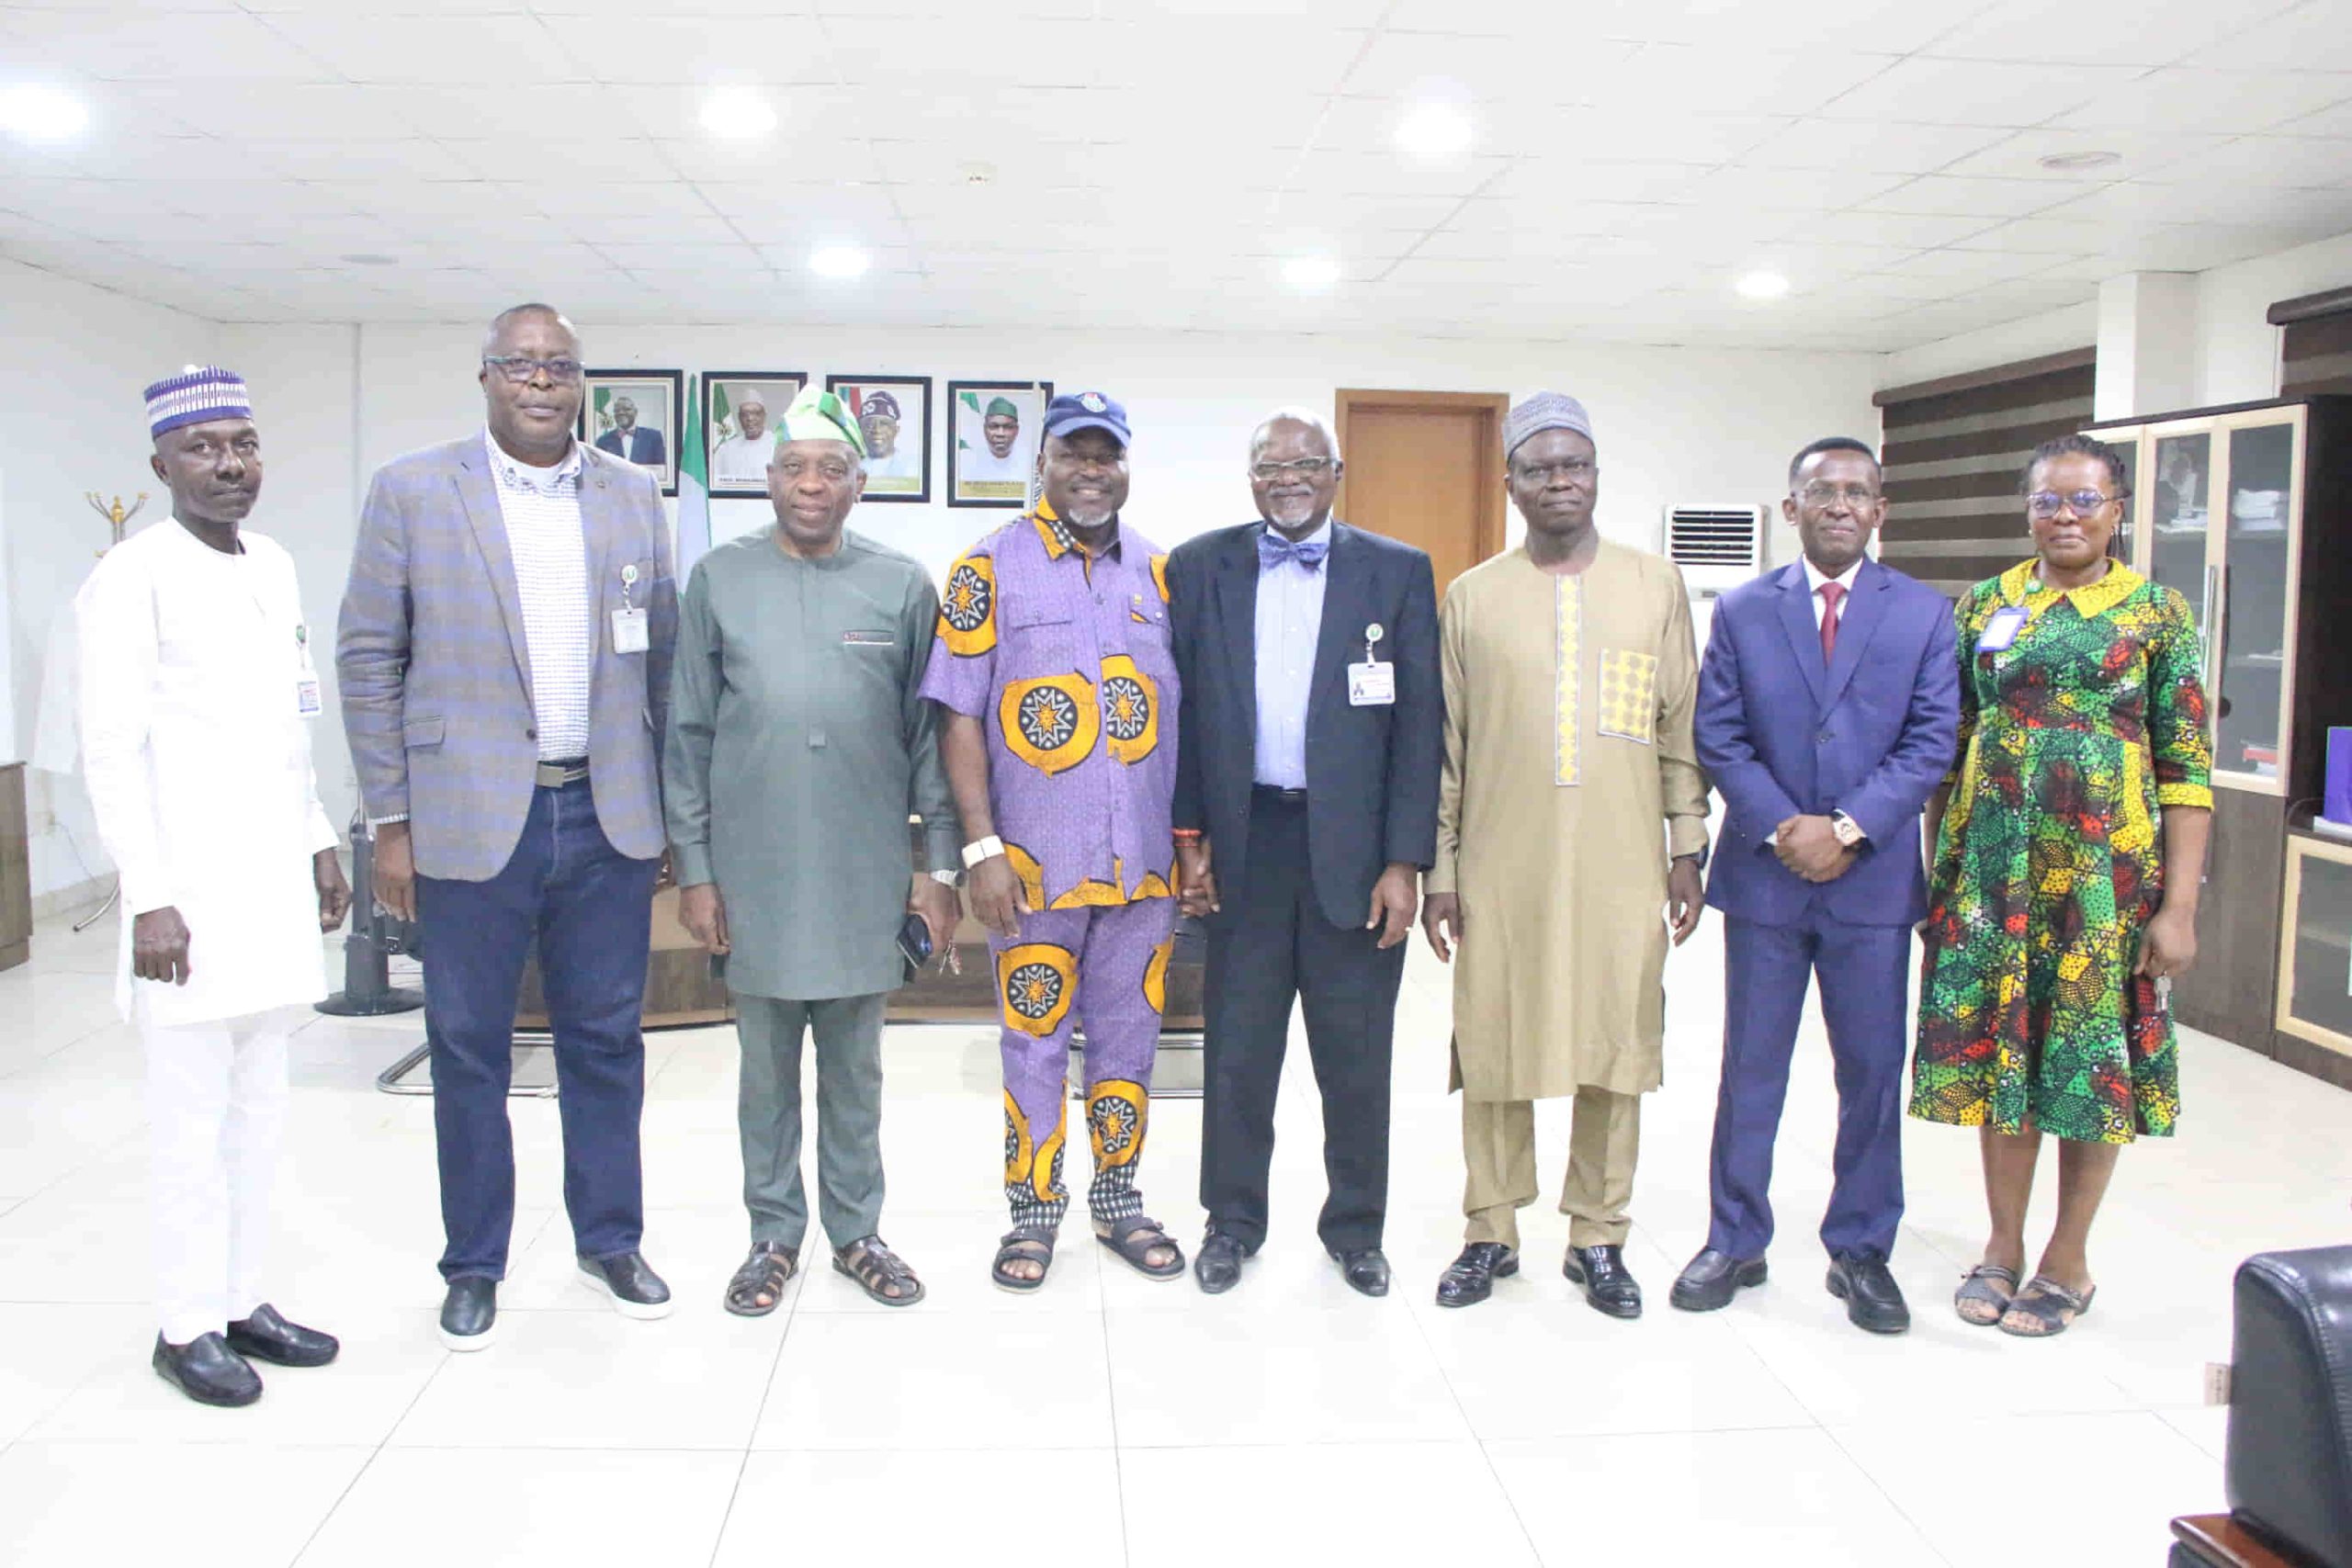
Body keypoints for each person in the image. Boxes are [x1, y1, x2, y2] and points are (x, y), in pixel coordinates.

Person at [338, 303, 679, 1351]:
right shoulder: (412, 490)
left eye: (559, 367)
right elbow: (368, 659)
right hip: (470, 816)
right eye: (520, 365)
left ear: (581, 384)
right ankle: (474, 1263)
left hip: (605, 813)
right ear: (485, 376)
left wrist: (667, 808)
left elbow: (661, 658)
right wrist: (391, 821)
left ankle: (609, 1240)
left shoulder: (631, 494)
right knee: (470, 1046)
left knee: (606, 1041)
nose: (540, 382)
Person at [79, 367, 348, 1406]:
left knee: (260, 1110)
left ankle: (241, 1301)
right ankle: (183, 1325)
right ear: (161, 467)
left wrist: (319, 839)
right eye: (203, 448)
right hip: (186, 897)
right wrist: (147, 895)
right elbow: (110, 752)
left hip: (269, 886)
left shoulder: (272, 562)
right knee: (190, 1124)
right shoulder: (131, 576)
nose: (230, 465)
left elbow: (290, 720)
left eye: (243, 444)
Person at [665, 389, 959, 1313]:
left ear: (859, 484)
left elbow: (929, 740)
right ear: (768, 479)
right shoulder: (718, 579)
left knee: (855, 1070)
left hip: (864, 871)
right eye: (794, 467)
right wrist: (695, 870)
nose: (811, 484)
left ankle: (857, 1230)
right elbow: (687, 733)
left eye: (831, 469)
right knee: (764, 1074)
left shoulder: (902, 584)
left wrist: (936, 869)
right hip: (751, 873)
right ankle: (772, 1235)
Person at [1914, 434, 2211, 1338]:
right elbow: (1948, 749)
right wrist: (1941, 874)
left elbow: (2186, 771)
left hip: (2105, 887)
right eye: (2048, 500)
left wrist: (2180, 908)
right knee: (2004, 1054)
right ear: (2028, 510)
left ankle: (2067, 1257)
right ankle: (2001, 1244)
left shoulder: (2157, 613)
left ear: (2119, 509)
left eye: (2086, 500)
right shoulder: (1985, 604)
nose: (2066, 517)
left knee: (2089, 1061)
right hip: (1993, 876)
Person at [1423, 390, 1708, 1318]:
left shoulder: (1653, 586)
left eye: (1574, 465)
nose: (1559, 481)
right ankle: (1490, 1228)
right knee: (1493, 1037)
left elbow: (1679, 728)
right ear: (1509, 483)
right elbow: (1449, 748)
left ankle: (1599, 1234)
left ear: (1595, 476)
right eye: (1539, 468)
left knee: (1616, 1042)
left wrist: (1687, 844)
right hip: (1501, 861)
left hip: (1623, 860)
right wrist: (1441, 870)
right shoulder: (1472, 596)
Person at [1677, 436, 1958, 1335]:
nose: (1841, 504)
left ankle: (1862, 1247)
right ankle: (1735, 1238)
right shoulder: (1743, 610)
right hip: (1766, 879)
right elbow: (1718, 734)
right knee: (1750, 1064)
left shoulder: (1923, 614)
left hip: (1870, 884)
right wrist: (1783, 826)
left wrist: (1845, 828)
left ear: (1879, 510)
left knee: (1870, 1071)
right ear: (1791, 508)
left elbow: (1931, 740)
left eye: (1858, 492)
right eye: (1822, 490)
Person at [1165, 408, 1440, 1298]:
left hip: (1355, 854)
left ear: (1336, 474)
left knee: (1354, 1058)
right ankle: (1230, 1222)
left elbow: (1419, 729)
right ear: (1251, 479)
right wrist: (1188, 838)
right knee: (1237, 1055)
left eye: (1306, 464)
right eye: (1270, 467)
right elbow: (1185, 713)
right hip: (1244, 842)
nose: (1287, 479)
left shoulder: (1397, 571)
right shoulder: (1201, 567)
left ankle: (1356, 1229)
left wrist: (1404, 861)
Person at [919, 390, 1186, 1292]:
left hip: (1142, 866)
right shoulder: (985, 568)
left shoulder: (1161, 574)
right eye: (1074, 453)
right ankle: (1032, 1212)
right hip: (1029, 868)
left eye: (1106, 455)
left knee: (1129, 1040)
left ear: (1125, 466)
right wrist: (980, 849)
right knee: (1031, 1043)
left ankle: (1118, 1199)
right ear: (1042, 462)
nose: (1090, 471)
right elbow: (958, 716)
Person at [710, 390, 775, 486]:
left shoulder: (778, 446)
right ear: (739, 418)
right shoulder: (726, 449)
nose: (750, 418)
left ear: (764, 416)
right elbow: (715, 482)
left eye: (756, 413)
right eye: (745, 414)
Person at [960, 396, 1027, 487]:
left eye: (1008, 427)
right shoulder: (967, 463)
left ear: (1017, 430)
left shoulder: (1028, 464)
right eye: (994, 427)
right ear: (984, 429)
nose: (1000, 433)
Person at [859, 390, 919, 486]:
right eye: (869, 424)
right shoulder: (851, 467)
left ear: (896, 430)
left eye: (884, 424)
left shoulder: (914, 468)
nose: (877, 430)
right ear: (860, 430)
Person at [594, 392, 666, 468]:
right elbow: (600, 470)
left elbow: (661, 468)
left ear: (635, 412)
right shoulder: (603, 441)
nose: (621, 413)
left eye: (626, 409)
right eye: (617, 410)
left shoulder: (653, 437)